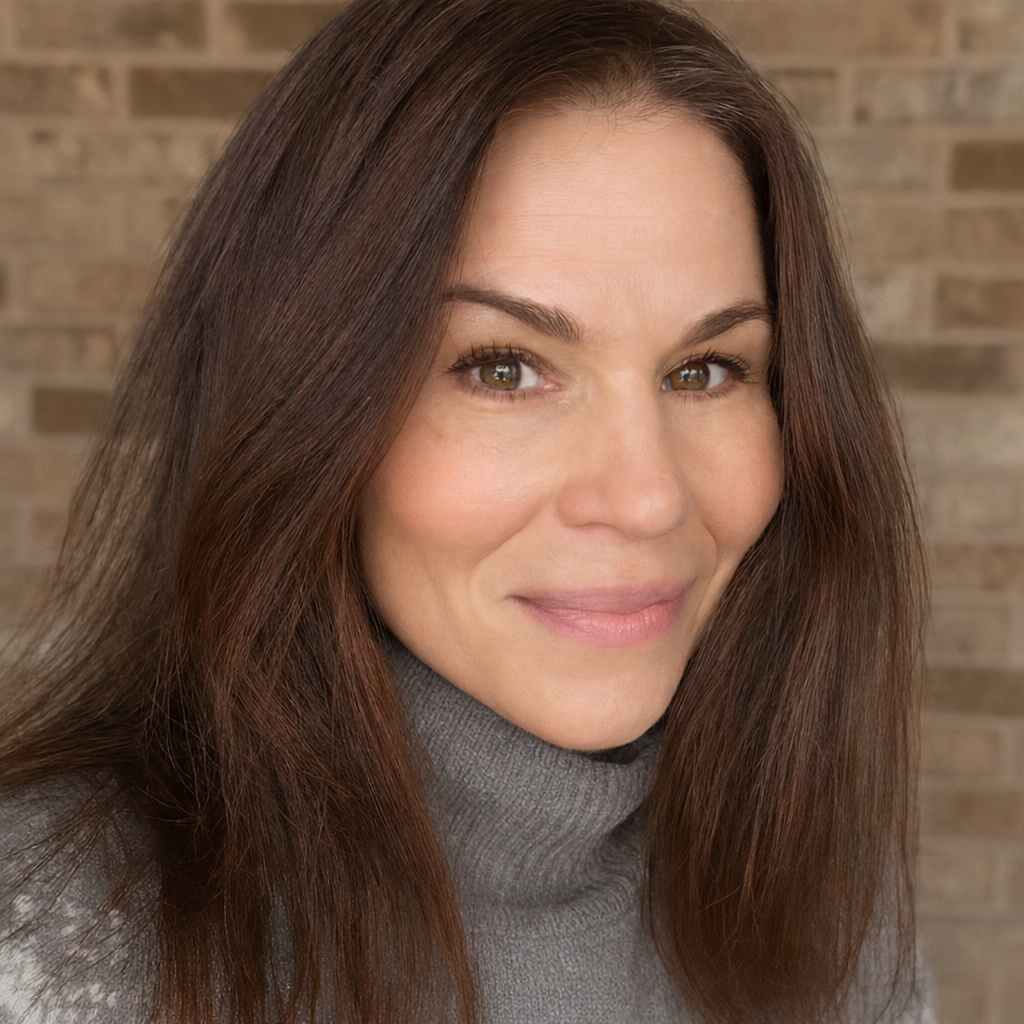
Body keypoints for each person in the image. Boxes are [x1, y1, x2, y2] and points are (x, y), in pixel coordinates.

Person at [0, 1, 932, 1022]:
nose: (646, 495)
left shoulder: (822, 904)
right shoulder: (56, 931)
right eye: (503, 368)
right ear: (304, 405)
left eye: (704, 370)